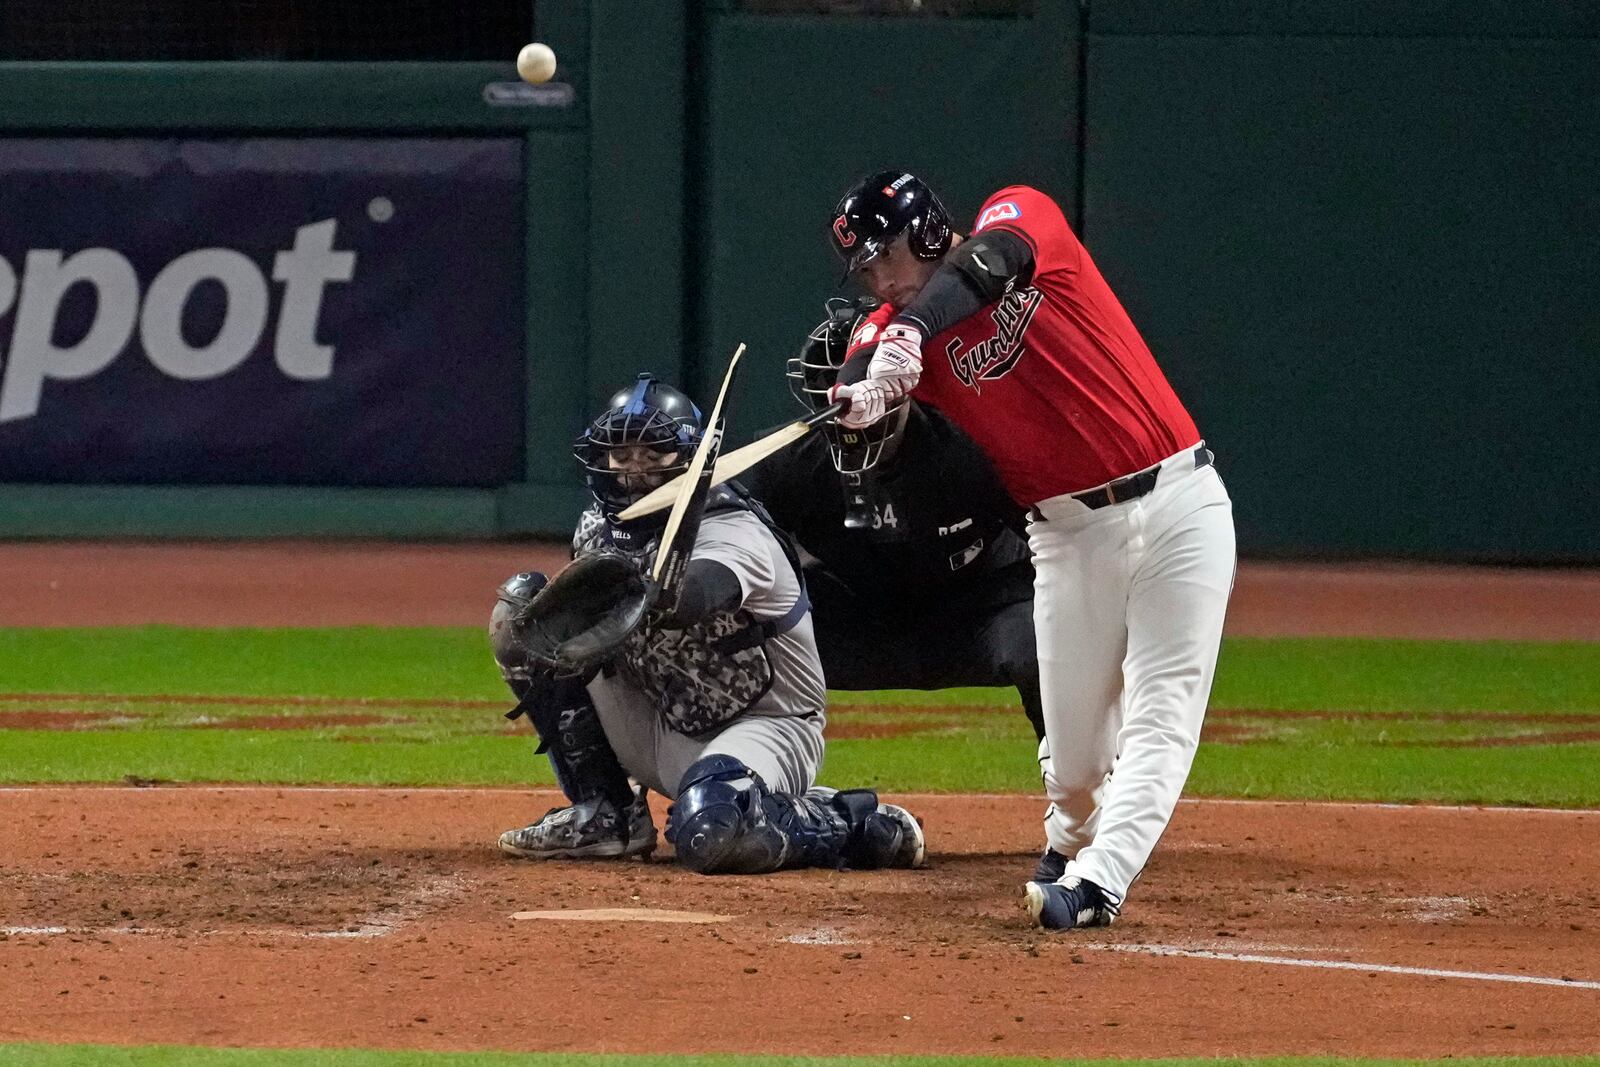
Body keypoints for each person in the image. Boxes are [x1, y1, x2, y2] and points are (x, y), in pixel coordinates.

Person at [825, 171, 1235, 928]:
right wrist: (861, 398)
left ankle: (1098, 883)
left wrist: (913, 335)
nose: (880, 280)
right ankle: (1072, 836)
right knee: (1076, 762)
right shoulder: (889, 328)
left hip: (1181, 503)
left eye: (887, 257)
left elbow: (994, 258)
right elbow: (856, 369)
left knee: (1161, 709)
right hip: (1069, 537)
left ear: (924, 230)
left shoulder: (1018, 215)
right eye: (866, 270)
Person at [488, 373, 926, 875]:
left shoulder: (734, 530)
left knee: (712, 831)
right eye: (622, 455)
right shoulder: (597, 528)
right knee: (520, 617)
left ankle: (860, 823)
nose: (634, 471)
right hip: (658, 717)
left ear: (690, 460)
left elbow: (698, 593)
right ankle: (605, 813)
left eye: (654, 455)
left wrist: (652, 585)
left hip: (763, 725)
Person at [749, 298, 1044, 741]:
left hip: (978, 614)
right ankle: (742, 784)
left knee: (1049, 636)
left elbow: (1053, 538)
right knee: (736, 632)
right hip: (860, 622)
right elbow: (723, 538)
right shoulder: (786, 461)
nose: (850, 415)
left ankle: (1084, 788)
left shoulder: (972, 448)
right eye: (834, 394)